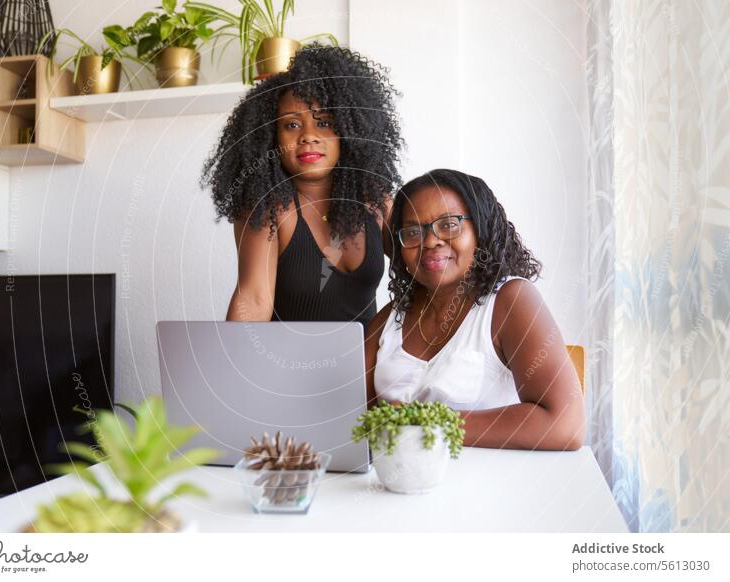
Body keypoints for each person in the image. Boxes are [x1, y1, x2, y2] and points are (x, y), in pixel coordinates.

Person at [364, 169, 585, 450]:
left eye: (449, 225)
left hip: (489, 488)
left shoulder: (510, 300)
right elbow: (352, 422)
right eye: (413, 232)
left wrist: (424, 423)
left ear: (480, 230)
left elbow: (565, 425)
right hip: (398, 487)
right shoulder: (391, 317)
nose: (431, 241)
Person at [202, 44, 403, 325]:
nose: (308, 136)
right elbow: (254, 298)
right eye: (292, 125)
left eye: (323, 123)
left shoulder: (375, 200)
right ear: (273, 138)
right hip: (288, 366)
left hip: (367, 365)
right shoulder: (269, 209)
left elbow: (421, 271)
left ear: (348, 129)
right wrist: (231, 362)